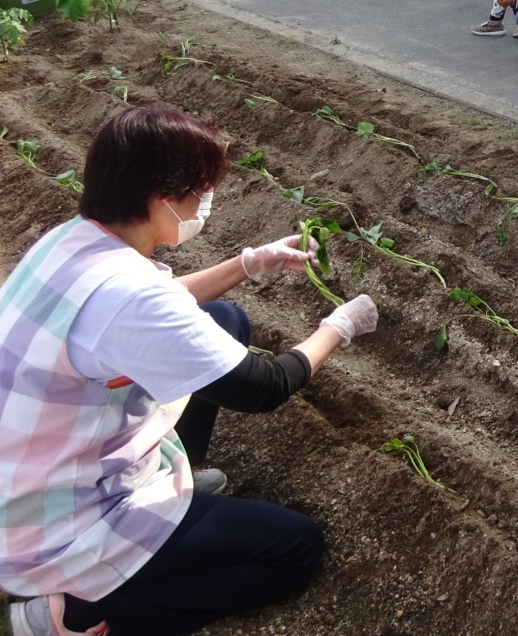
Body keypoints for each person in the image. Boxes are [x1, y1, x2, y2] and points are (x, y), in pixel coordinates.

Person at [0, 104, 378, 636]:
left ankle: (180, 490)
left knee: (221, 321)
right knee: (296, 547)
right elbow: (263, 387)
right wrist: (339, 326)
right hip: (57, 519)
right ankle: (83, 612)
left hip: (28, 471)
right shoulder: (128, 296)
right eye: (200, 192)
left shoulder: (73, 241)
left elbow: (151, 313)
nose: (206, 203)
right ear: (161, 197)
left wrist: (250, 263)